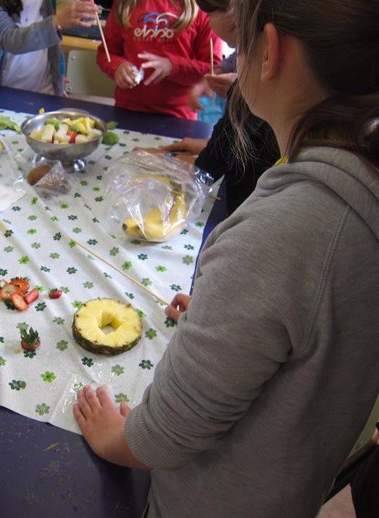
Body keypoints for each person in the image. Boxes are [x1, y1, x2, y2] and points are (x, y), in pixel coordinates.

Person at [74, 0, 379, 517]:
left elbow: (165, 436)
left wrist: (111, 438)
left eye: (241, 36)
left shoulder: (285, 230)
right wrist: (234, 312)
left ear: (271, 52)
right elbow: (310, 320)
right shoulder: (359, 175)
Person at [144, 0, 279, 215]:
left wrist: (157, 159)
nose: (234, 64)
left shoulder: (251, 100)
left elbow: (206, 170)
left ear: (269, 52)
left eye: (240, 48)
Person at [98, 0, 222, 120]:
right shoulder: (123, 3)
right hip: (127, 110)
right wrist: (118, 66)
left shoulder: (203, 6)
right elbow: (106, 53)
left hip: (178, 115)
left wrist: (172, 66)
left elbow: (213, 68)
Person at [0, 0, 100, 95]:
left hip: (46, 89)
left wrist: (82, 9)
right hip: (3, 89)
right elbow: (9, 40)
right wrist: (57, 21)